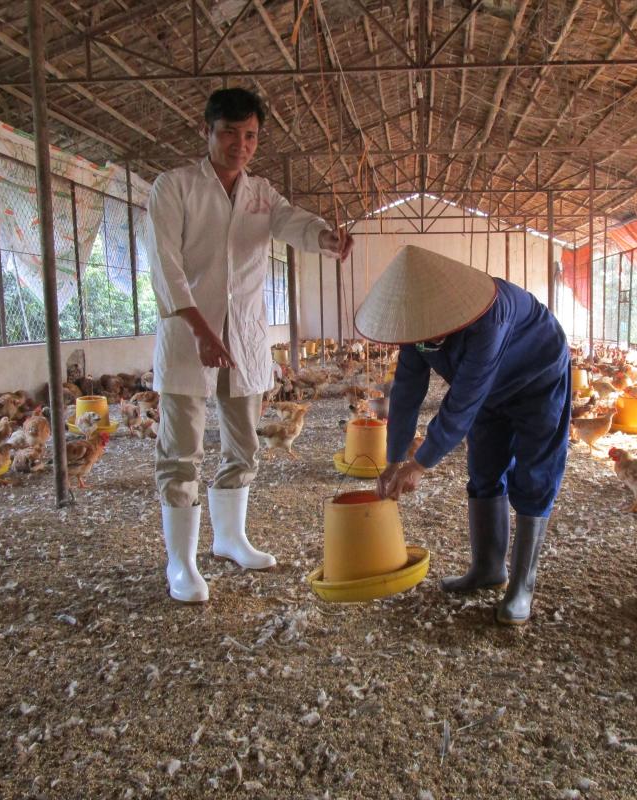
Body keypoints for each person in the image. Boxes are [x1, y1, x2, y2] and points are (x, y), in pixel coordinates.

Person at [147, 87, 352, 603]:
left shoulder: (262, 194)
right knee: (181, 452)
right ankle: (181, 563)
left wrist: (325, 238)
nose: (240, 144)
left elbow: (294, 224)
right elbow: (165, 267)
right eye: (229, 133)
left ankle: (230, 539)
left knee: (245, 445)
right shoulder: (174, 188)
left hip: (244, 339)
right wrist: (199, 328)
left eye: (251, 135)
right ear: (207, 132)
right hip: (189, 337)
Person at [356, 245, 570, 625]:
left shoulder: (490, 316)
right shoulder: (418, 327)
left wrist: (420, 464)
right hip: (490, 391)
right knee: (484, 468)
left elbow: (463, 401)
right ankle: (488, 568)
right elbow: (406, 389)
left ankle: (522, 584)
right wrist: (394, 459)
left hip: (538, 379)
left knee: (534, 474)